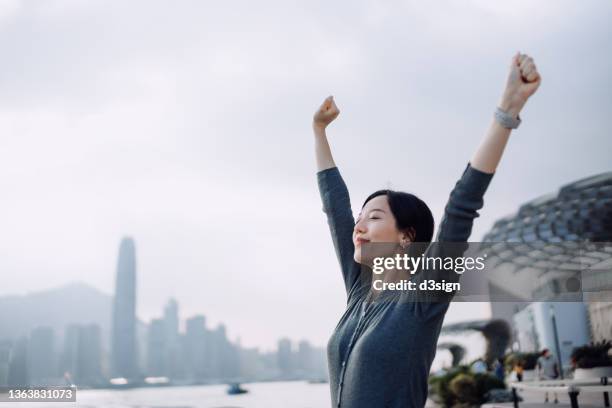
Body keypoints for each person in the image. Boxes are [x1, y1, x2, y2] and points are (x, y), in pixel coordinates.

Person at [313, 53, 541, 408]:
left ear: (406, 236)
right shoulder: (359, 291)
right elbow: (335, 209)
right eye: (360, 218)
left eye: (373, 217)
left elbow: (461, 206)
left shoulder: (424, 294)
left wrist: (506, 112)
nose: (358, 226)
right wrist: (319, 131)